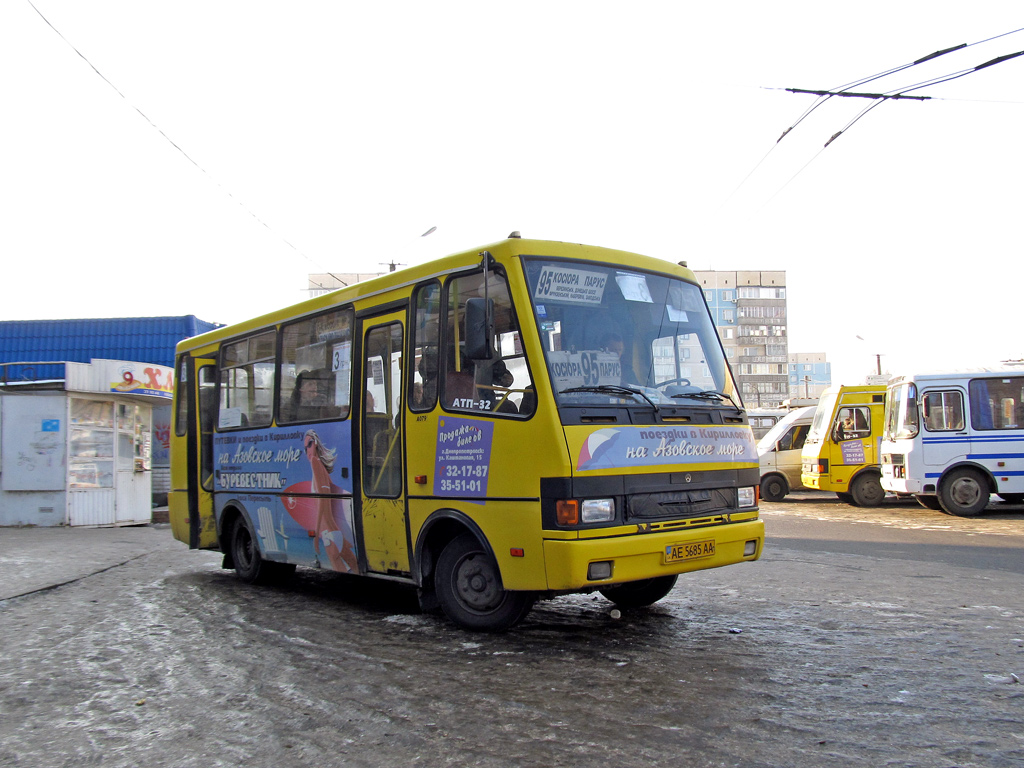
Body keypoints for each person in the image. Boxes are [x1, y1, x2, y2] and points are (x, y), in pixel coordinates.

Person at [304, 429, 358, 573]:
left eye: (309, 444)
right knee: (350, 564)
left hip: (328, 531)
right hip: (332, 531)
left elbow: (323, 500)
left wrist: (316, 533)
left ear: (315, 444)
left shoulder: (316, 463)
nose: (307, 450)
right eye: (305, 448)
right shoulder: (320, 465)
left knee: (344, 565)